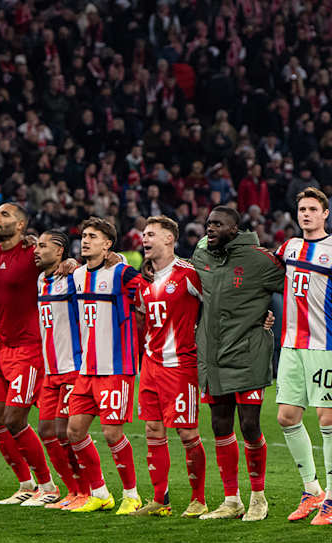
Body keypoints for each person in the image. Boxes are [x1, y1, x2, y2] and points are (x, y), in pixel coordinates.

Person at [275, 187, 332, 525]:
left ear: (326, 214)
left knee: (327, 418)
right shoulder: (288, 248)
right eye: (302, 209)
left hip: (326, 345)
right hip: (291, 345)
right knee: (286, 416)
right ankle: (312, 491)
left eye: (313, 209)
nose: (306, 214)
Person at [192, 205, 285, 521]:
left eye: (217, 224)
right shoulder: (201, 257)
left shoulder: (260, 260)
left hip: (248, 354)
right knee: (219, 424)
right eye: (208, 224)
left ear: (235, 229)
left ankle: (258, 497)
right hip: (212, 356)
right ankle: (232, 500)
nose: (210, 228)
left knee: (249, 425)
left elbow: (292, 287)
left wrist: (275, 319)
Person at [65, 217, 146, 514]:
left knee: (112, 433)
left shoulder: (122, 273)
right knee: (74, 430)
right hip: (87, 368)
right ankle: (100, 493)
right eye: (84, 236)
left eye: (93, 237)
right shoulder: (76, 275)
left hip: (116, 367)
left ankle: (131, 494)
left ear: (107, 244)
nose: (85, 240)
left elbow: (148, 294)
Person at [0, 204, 58, 506]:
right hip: (3, 346)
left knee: (16, 418)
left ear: (20, 225)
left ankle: (49, 487)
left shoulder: (33, 255)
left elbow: (64, 261)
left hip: (29, 348)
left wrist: (66, 265)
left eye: (4, 215)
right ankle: (26, 484)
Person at [134, 216, 205, 517]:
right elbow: (141, 321)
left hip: (180, 365)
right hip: (150, 365)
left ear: (169, 239)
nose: (144, 239)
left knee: (187, 433)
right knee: (153, 429)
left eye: (151, 234)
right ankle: (160, 500)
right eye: (143, 235)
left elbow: (216, 304)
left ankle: (198, 498)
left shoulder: (189, 273)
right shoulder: (143, 280)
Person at [34, 230, 89, 511]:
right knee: (46, 430)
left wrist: (75, 263)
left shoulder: (73, 277)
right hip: (49, 370)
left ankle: (88, 489)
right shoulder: (40, 280)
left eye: (43, 246)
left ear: (60, 251)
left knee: (64, 431)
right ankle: (71, 489)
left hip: (73, 366)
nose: (37, 249)